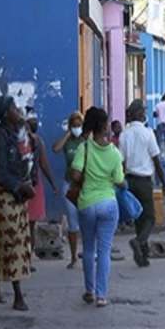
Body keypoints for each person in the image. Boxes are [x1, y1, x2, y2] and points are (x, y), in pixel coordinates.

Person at [0, 96, 38, 311]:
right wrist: (19, 188)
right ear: (6, 114)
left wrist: (28, 182)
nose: (19, 112)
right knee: (13, 241)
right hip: (4, 192)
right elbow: (1, 172)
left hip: (17, 192)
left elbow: (25, 161)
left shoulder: (16, 133)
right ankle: (18, 295)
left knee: (13, 241)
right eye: (15, 109)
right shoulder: (0, 136)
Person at [71, 107, 125, 307]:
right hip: (108, 204)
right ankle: (102, 295)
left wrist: (87, 175)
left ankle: (89, 290)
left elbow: (75, 175)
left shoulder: (83, 148)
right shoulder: (114, 153)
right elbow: (119, 180)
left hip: (86, 203)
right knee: (104, 250)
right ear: (104, 126)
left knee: (88, 248)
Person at [119, 99, 165, 268]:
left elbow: (121, 162)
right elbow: (156, 160)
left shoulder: (124, 135)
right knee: (150, 218)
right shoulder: (148, 133)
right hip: (144, 180)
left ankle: (144, 255)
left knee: (139, 217)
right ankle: (139, 241)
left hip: (129, 180)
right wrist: (164, 183)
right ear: (141, 115)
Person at [25, 107, 58, 271]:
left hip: (33, 183)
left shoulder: (37, 142)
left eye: (35, 120)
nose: (35, 123)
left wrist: (52, 183)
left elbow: (43, 164)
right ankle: (25, 258)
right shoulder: (25, 141)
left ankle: (27, 258)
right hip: (26, 184)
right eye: (32, 120)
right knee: (26, 225)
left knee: (29, 225)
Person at [53, 111, 85, 269]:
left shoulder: (86, 141)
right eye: (74, 126)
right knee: (73, 221)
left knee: (86, 219)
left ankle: (88, 252)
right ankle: (73, 256)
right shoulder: (69, 142)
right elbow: (56, 149)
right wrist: (67, 135)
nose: (77, 128)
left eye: (79, 125)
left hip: (85, 186)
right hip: (69, 184)